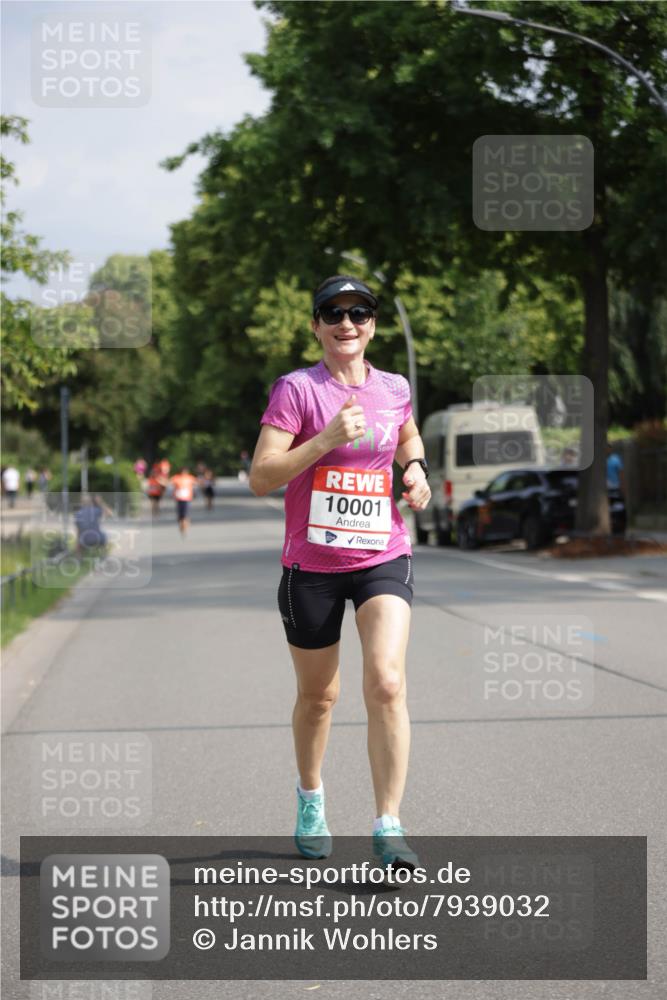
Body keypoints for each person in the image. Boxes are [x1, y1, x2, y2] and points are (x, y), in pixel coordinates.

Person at [249, 274, 431, 871]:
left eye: (359, 312)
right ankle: (310, 796)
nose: (346, 323)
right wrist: (324, 440)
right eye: (334, 312)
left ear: (373, 323)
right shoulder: (297, 390)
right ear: (316, 325)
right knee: (319, 696)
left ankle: (388, 825)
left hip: (382, 552)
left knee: (386, 681)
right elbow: (261, 477)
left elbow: (404, 431)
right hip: (312, 565)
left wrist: (417, 469)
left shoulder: (394, 386)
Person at [170, 466, 198, 536]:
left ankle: (184, 527)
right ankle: (182, 525)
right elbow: (170, 483)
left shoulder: (190, 478)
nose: (184, 472)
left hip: (187, 499)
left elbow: (197, 483)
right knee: (180, 515)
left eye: (185, 471)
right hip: (179, 499)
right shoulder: (176, 478)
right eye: (183, 471)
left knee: (185, 515)